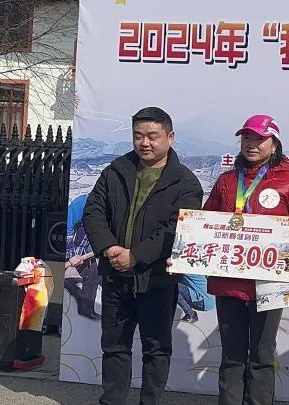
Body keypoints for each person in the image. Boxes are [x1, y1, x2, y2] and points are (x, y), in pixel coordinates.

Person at [83, 107, 204, 405]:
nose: (144, 143)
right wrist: (110, 248)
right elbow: (94, 212)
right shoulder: (115, 171)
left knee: (156, 349)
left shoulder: (185, 182)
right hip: (116, 275)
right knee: (114, 346)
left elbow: (175, 230)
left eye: (152, 136)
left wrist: (136, 256)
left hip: (157, 280)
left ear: (170, 137)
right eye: (138, 136)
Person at [202, 114, 289, 405]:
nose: (251, 144)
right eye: (246, 138)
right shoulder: (227, 180)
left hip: (272, 280)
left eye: (259, 139)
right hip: (228, 279)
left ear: (274, 144)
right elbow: (205, 223)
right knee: (232, 356)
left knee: (262, 356)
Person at [64, 194, 100, 319]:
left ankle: (86, 309)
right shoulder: (81, 203)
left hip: (86, 250)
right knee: (57, 275)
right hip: (70, 247)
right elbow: (67, 226)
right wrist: (71, 255)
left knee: (93, 274)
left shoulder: (109, 206)